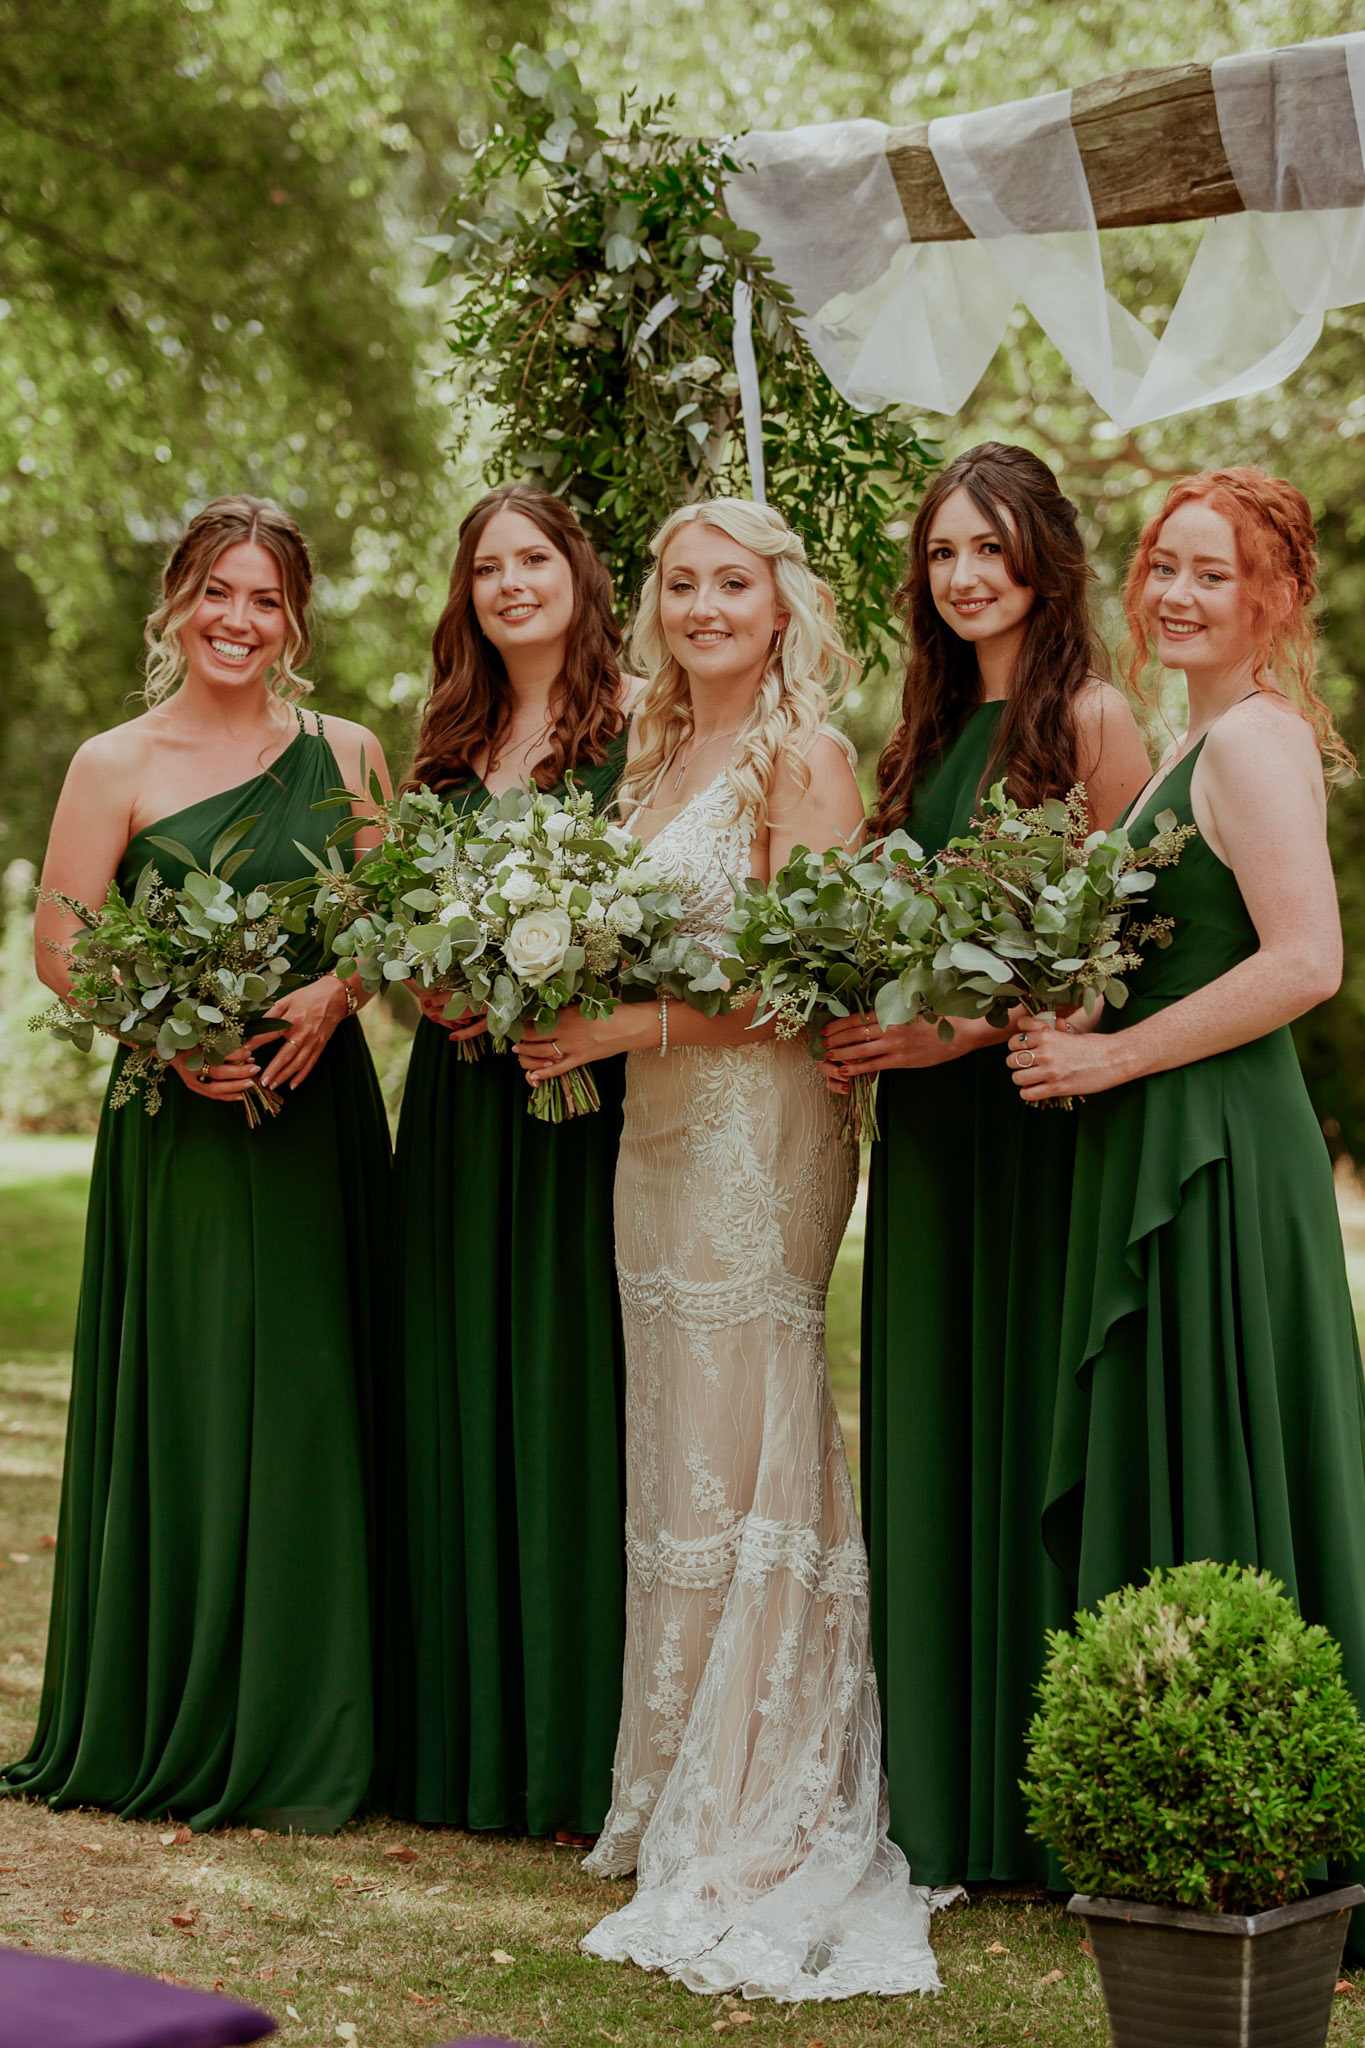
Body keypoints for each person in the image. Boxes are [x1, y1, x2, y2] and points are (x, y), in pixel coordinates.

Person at [515, 498, 942, 2000]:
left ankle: (765, 1802)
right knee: (679, 1438)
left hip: (761, 1130)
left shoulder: (803, 757)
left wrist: (618, 1024)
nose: (704, 607)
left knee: (750, 1425)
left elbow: (798, 987)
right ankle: (677, 1775)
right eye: (683, 583)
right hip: (655, 1129)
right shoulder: (651, 755)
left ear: (780, 607)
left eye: (733, 586)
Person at [1005, 468, 1365, 1923]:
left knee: (1224, 1433)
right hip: (1164, 1132)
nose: (1176, 593)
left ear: (1274, 598)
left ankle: (1264, 1833)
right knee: (1182, 1433)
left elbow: (1305, 962)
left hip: (1214, 1147)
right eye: (1164, 565)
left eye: (1214, 573)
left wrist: (1110, 1058)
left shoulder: (1253, 742)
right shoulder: (1195, 741)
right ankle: (1190, 1810)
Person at [2, 496, 392, 1831]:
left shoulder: (350, 753)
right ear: (176, 602)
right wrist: (166, 1038)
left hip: (316, 1119)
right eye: (217, 592)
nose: (239, 619)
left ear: (296, 621)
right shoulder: (114, 761)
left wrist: (337, 994)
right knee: (195, 1388)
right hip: (178, 1123)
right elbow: (63, 945)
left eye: (266, 599)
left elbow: (386, 920)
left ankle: (318, 1717)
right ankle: (179, 1701)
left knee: (316, 1394)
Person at [820, 444, 1150, 1888]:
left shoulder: (1094, 721)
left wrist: (952, 1033)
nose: (964, 576)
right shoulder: (924, 728)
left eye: (989, 548)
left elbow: (1122, 959)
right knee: (933, 1411)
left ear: (1045, 559)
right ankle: (940, 1786)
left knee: (1022, 1415)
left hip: (1030, 1122)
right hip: (933, 1140)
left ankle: (1038, 1784)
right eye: (942, 552)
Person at [374, 486, 630, 1845]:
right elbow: (397, 926)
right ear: (465, 595)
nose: (511, 583)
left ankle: (575, 1747)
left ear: (578, 576)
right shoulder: (444, 747)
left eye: (534, 558)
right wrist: (425, 980)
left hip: (582, 1102)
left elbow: (662, 912)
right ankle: (461, 1744)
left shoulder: (642, 730)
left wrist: (564, 985)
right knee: (459, 1383)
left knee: (570, 1388)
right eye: (487, 567)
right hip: (462, 1109)